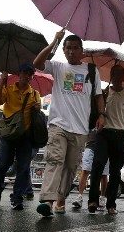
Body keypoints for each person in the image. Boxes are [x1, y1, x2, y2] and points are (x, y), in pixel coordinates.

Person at [32, 31, 104, 217]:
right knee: (55, 160)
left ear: (82, 51)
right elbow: (37, 64)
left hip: (80, 129)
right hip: (58, 124)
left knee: (71, 168)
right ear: (63, 50)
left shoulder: (91, 70)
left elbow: (98, 96)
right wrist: (54, 40)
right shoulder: (57, 66)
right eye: (68, 48)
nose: (71, 52)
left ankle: (61, 198)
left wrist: (102, 115)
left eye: (75, 48)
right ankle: (47, 201)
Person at [0, 63, 41, 210]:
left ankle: (17, 197)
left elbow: (36, 115)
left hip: (25, 136)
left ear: (32, 77)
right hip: (8, 134)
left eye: (30, 74)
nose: (27, 76)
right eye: (24, 72)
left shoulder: (34, 94)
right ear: (19, 74)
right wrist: (2, 83)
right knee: (1, 165)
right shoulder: (9, 90)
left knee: (23, 167)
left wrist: (37, 109)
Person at [88, 65, 124, 214]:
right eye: (113, 73)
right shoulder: (103, 93)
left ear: (123, 78)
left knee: (115, 172)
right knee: (97, 166)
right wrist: (100, 97)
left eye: (119, 74)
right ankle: (92, 201)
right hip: (103, 134)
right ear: (110, 75)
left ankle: (111, 204)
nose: (116, 76)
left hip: (119, 135)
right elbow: (95, 111)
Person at [72, 129, 109, 210]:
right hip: (90, 145)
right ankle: (80, 196)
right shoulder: (91, 116)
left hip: (105, 147)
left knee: (103, 174)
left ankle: (102, 197)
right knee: (85, 170)